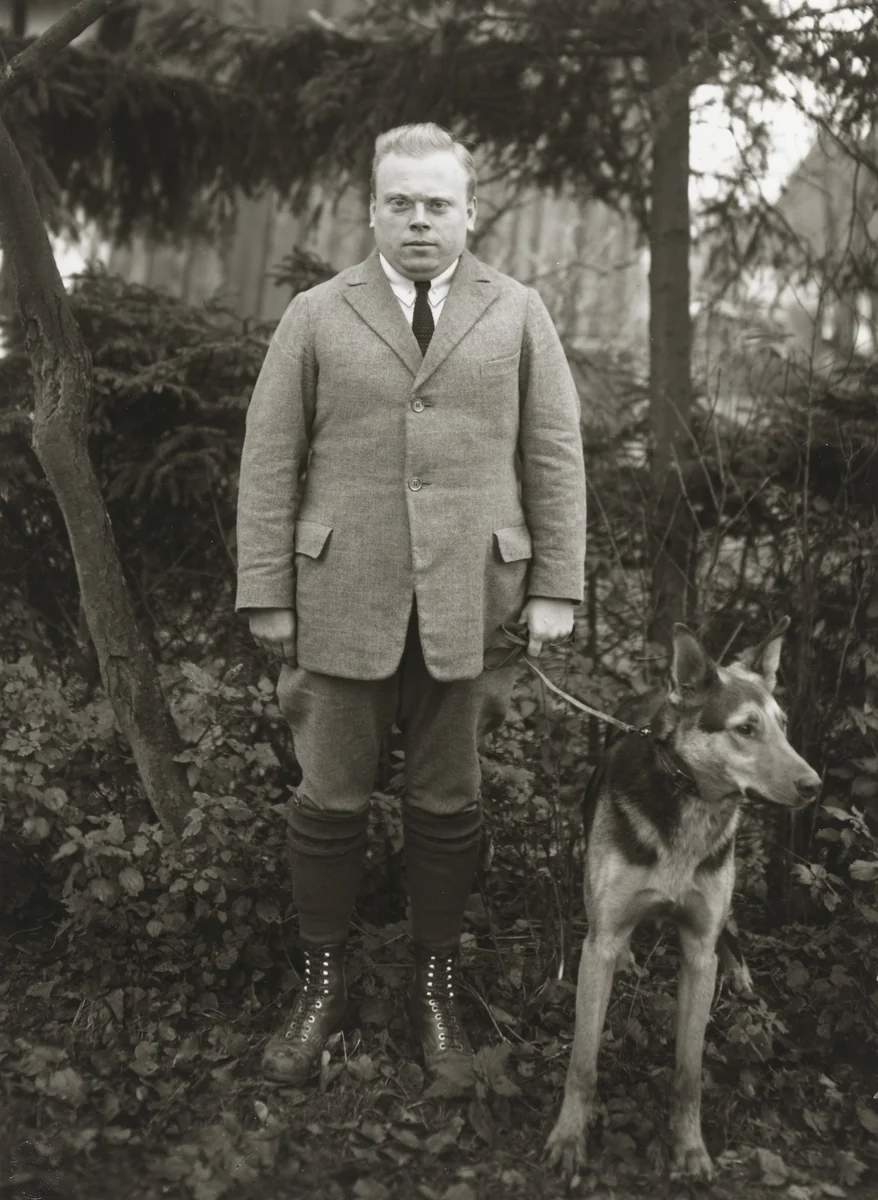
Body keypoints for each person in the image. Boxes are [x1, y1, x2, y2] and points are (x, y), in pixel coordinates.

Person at [236, 122, 586, 1085]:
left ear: (470, 213)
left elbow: (553, 453)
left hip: (476, 599)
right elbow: (270, 456)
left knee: (448, 804)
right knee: (327, 801)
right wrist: (266, 590)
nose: (420, 220)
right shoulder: (316, 313)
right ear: (374, 209)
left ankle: (433, 991)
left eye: (439, 204)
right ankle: (321, 987)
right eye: (401, 202)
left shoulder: (518, 313)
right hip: (337, 596)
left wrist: (557, 582)